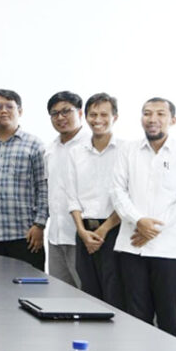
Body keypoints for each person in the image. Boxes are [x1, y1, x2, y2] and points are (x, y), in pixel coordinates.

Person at [111, 97, 176, 337]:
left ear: (172, 120)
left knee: (170, 317)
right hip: (131, 246)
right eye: (147, 113)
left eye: (160, 114)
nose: (152, 119)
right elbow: (117, 191)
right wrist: (139, 222)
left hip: (169, 249)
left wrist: (153, 230)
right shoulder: (127, 150)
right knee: (135, 316)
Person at [0, 90, 48, 271]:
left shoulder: (34, 144)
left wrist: (40, 225)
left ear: (19, 111)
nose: (3, 111)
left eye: (9, 107)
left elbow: (43, 187)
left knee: (28, 290)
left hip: (24, 234)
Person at [65, 93, 123, 309]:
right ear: (85, 116)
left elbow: (126, 196)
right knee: (89, 294)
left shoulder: (125, 150)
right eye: (93, 114)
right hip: (84, 231)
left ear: (115, 117)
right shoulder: (76, 152)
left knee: (115, 293)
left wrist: (104, 229)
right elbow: (72, 197)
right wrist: (82, 232)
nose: (98, 119)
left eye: (104, 114)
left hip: (115, 230)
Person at [45, 91, 91, 287]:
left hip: (81, 235)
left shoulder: (91, 146)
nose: (60, 117)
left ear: (80, 113)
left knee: (88, 294)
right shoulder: (50, 149)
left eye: (66, 111)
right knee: (60, 294)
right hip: (56, 235)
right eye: (54, 113)